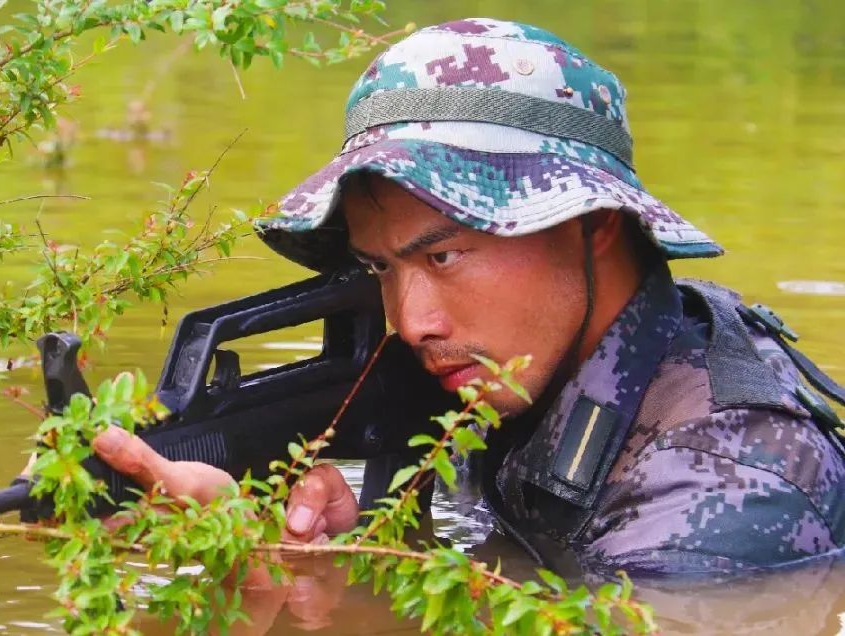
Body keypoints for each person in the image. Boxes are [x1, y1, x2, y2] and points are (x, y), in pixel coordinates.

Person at [91, 18, 845, 577]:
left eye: (444, 255)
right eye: (380, 268)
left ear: (594, 223)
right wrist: (335, 546)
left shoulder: (725, 482)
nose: (409, 322)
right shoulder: (533, 367)